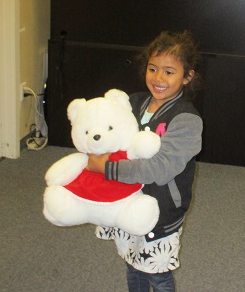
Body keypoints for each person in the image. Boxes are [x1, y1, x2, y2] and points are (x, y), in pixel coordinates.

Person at [86, 30, 203, 292]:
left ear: (187, 76)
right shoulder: (134, 103)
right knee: (131, 262)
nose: (159, 78)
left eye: (169, 72)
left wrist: (107, 168)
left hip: (160, 211)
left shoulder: (186, 120)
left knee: (157, 274)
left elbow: (159, 169)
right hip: (126, 201)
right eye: (153, 69)